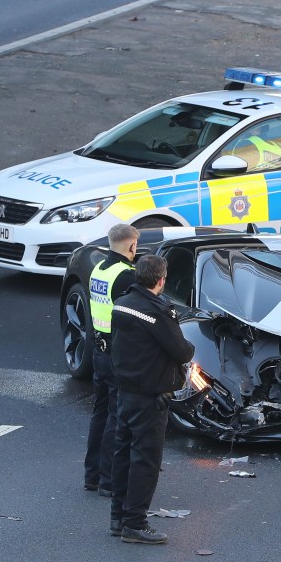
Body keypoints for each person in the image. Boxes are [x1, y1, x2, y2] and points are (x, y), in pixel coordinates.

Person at [109, 255, 195, 544]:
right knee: (145, 461)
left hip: (125, 393)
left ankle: (118, 519)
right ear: (161, 280)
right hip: (150, 398)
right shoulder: (158, 312)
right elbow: (182, 351)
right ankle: (135, 523)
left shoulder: (122, 303)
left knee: (123, 455)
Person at [84, 223, 138, 496]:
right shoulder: (126, 275)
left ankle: (92, 475)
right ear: (131, 246)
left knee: (100, 413)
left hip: (99, 350)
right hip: (116, 354)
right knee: (117, 418)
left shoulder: (99, 270)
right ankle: (108, 479)